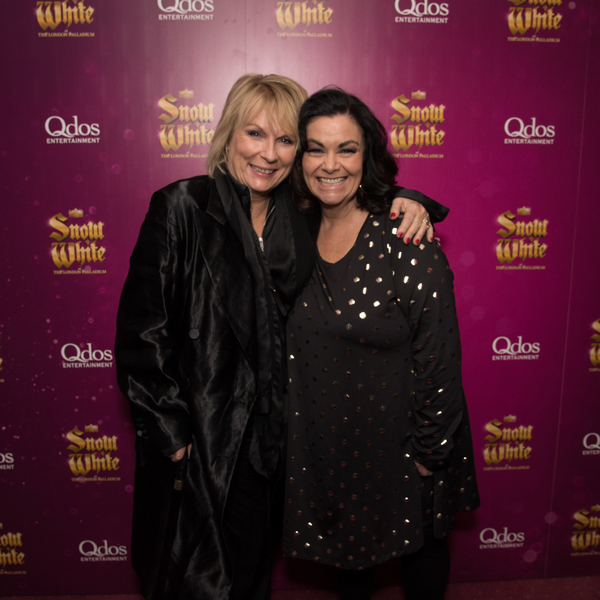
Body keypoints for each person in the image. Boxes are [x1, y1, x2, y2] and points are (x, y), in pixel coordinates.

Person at [115, 74, 448, 600]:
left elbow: (352, 192)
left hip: (278, 439)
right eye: (255, 135)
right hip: (205, 435)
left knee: (250, 575)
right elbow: (142, 333)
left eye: (286, 140)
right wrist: (172, 435)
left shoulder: (299, 214)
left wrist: (410, 199)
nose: (269, 154)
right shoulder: (182, 207)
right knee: (191, 577)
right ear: (228, 136)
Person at [282, 88, 479, 600]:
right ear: (298, 155)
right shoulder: (290, 234)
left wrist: (428, 453)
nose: (330, 164)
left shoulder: (405, 241)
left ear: (367, 156)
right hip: (331, 447)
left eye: (346, 149)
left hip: (406, 444)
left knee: (422, 562)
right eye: (315, 148)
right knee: (349, 574)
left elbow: (439, 359)